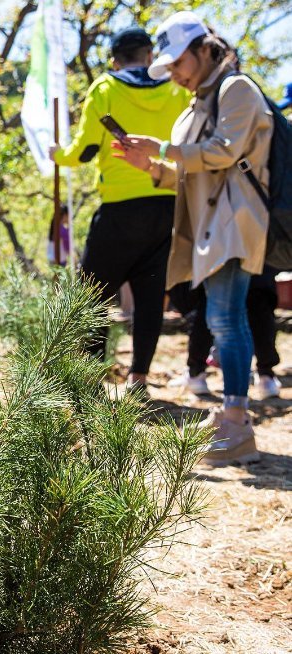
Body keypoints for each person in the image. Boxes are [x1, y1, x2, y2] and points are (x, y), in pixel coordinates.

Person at [116, 11, 273, 465]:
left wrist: (162, 149)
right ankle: (233, 416)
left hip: (235, 222)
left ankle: (237, 421)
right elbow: (189, 174)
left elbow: (223, 153)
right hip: (210, 224)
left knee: (225, 317)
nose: (176, 74)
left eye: (179, 62)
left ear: (204, 49)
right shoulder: (197, 100)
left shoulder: (236, 89)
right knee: (223, 317)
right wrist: (150, 167)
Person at [48, 26, 190, 395]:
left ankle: (93, 379)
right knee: (149, 296)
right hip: (168, 202)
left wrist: (56, 155)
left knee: (92, 295)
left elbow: (84, 150)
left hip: (119, 209)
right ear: (149, 56)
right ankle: (138, 380)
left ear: (114, 59)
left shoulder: (106, 88)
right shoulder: (176, 87)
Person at [168, 272, 282, 399]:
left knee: (211, 304)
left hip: (218, 262)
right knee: (257, 298)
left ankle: (197, 373)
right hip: (253, 261)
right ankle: (266, 377)